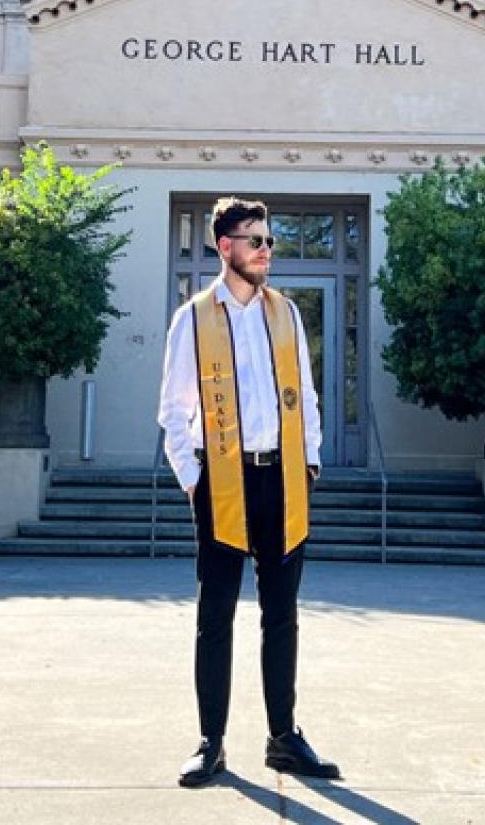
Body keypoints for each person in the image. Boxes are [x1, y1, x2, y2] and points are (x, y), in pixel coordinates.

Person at [157, 195, 341, 788]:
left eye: (270, 240)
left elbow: (306, 396)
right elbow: (173, 413)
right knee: (216, 617)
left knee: (282, 614)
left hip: (282, 479)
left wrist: (309, 463)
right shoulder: (194, 318)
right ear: (225, 247)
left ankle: (283, 738)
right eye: (256, 240)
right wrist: (195, 480)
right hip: (224, 481)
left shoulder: (285, 313)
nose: (266, 250)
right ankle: (211, 742)